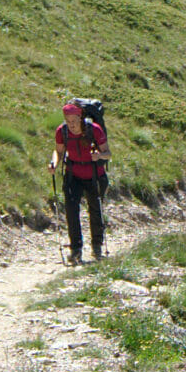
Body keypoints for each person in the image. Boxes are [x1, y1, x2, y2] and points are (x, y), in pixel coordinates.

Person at [54, 98, 108, 262]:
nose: (71, 124)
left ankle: (97, 247)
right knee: (71, 211)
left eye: (74, 121)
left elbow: (108, 153)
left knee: (95, 211)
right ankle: (76, 248)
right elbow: (58, 152)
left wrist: (99, 155)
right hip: (73, 174)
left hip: (94, 175)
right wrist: (53, 163)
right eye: (68, 121)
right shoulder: (62, 131)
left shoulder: (95, 130)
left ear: (81, 118)